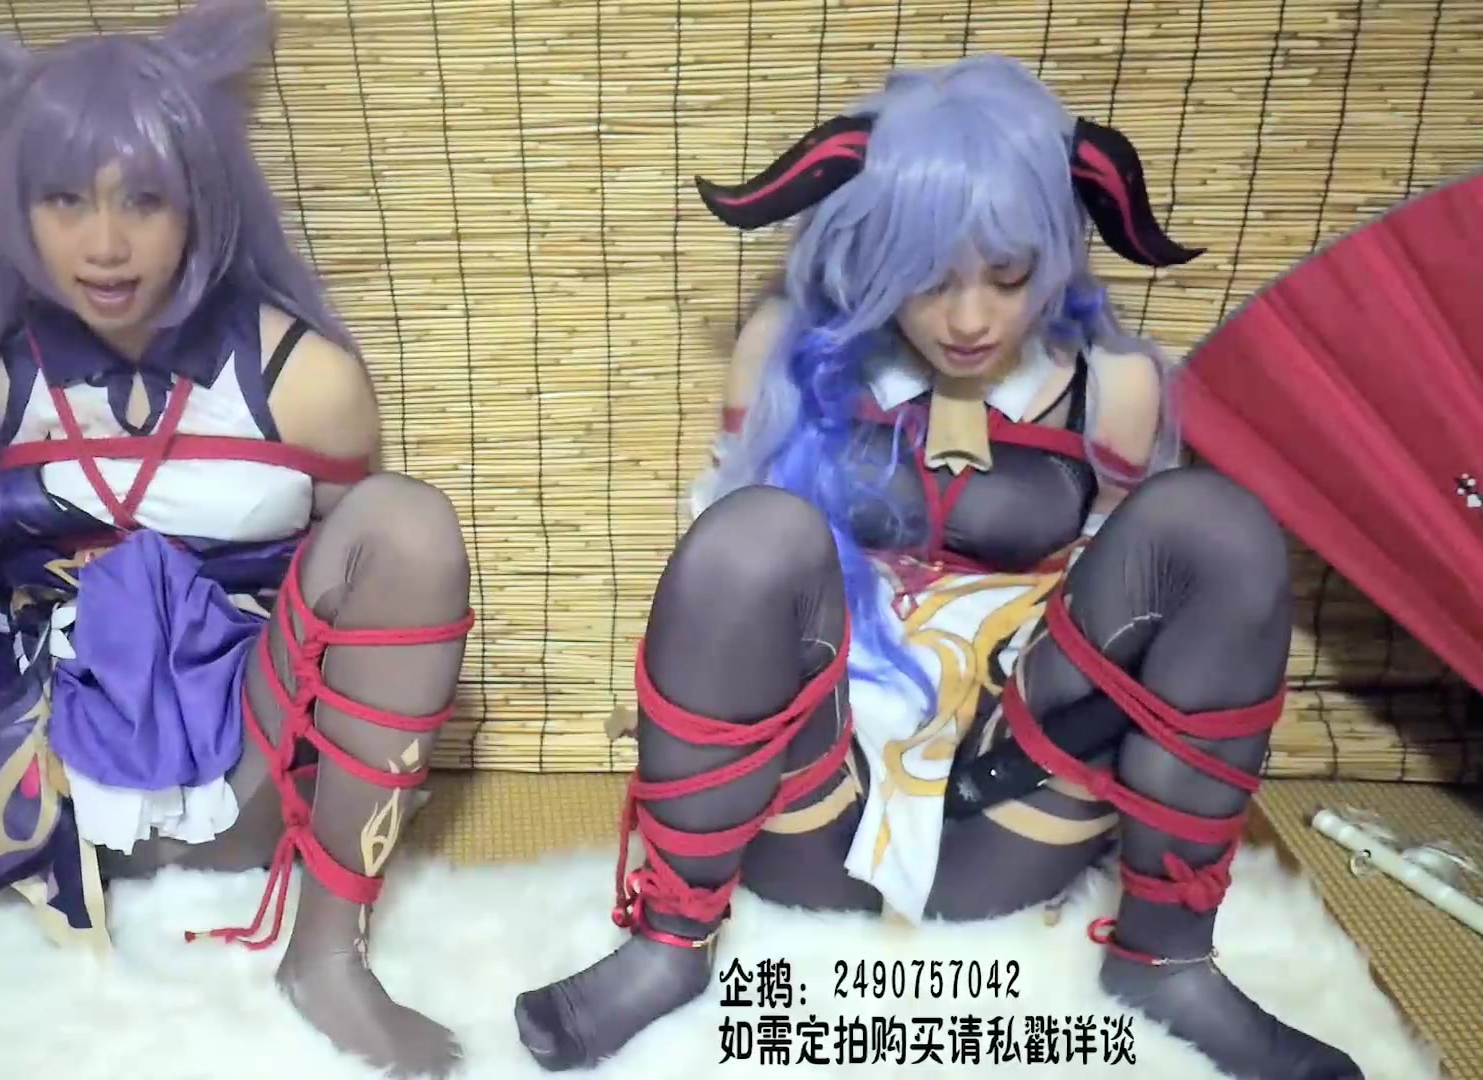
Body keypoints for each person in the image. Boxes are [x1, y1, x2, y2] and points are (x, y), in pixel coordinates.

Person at [514, 54, 1360, 1080]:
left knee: (1216, 527)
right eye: (928, 277)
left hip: (1014, 785)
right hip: (814, 790)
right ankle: (667, 944)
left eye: (1008, 276)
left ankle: (1167, 956)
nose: (969, 320)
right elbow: (725, 572)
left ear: (1057, 253)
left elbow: (1129, 610)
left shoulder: (1114, 386)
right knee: (750, 533)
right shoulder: (787, 354)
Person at [0, 4, 474, 1078]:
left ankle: (329, 961)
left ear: (202, 197)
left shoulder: (309, 381)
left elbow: (357, 601)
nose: (105, 244)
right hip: (17, 787)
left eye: (143, 199)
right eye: (65, 199)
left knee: (409, 525)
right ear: (16, 207)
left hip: (238, 775)